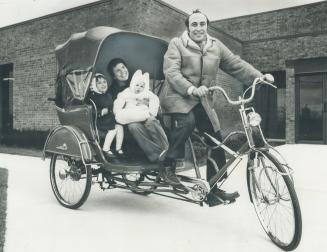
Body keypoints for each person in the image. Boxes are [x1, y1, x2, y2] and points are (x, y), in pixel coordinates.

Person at [160, 10, 274, 206]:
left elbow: (235, 64)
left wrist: (259, 77)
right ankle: (168, 165)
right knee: (187, 123)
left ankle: (213, 189)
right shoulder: (176, 44)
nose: (198, 28)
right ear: (188, 27)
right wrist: (191, 89)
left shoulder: (216, 46)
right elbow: (171, 72)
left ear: (207, 26)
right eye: (194, 24)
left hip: (202, 100)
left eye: (202, 24)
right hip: (178, 97)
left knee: (216, 137)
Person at [107, 59, 168, 162]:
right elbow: (116, 109)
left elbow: (151, 99)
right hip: (129, 120)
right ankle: (157, 154)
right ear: (114, 76)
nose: (122, 71)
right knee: (133, 126)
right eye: (118, 71)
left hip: (146, 114)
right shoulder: (113, 91)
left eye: (123, 67)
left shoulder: (137, 81)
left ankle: (165, 151)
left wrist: (147, 104)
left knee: (151, 121)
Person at [88, 73, 124, 160]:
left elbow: (113, 105)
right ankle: (105, 149)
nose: (103, 84)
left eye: (104, 82)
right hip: (101, 121)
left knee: (120, 127)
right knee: (113, 129)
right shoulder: (93, 97)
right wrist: (100, 111)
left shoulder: (108, 95)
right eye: (99, 83)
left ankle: (118, 148)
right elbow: (91, 109)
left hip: (109, 119)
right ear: (94, 85)